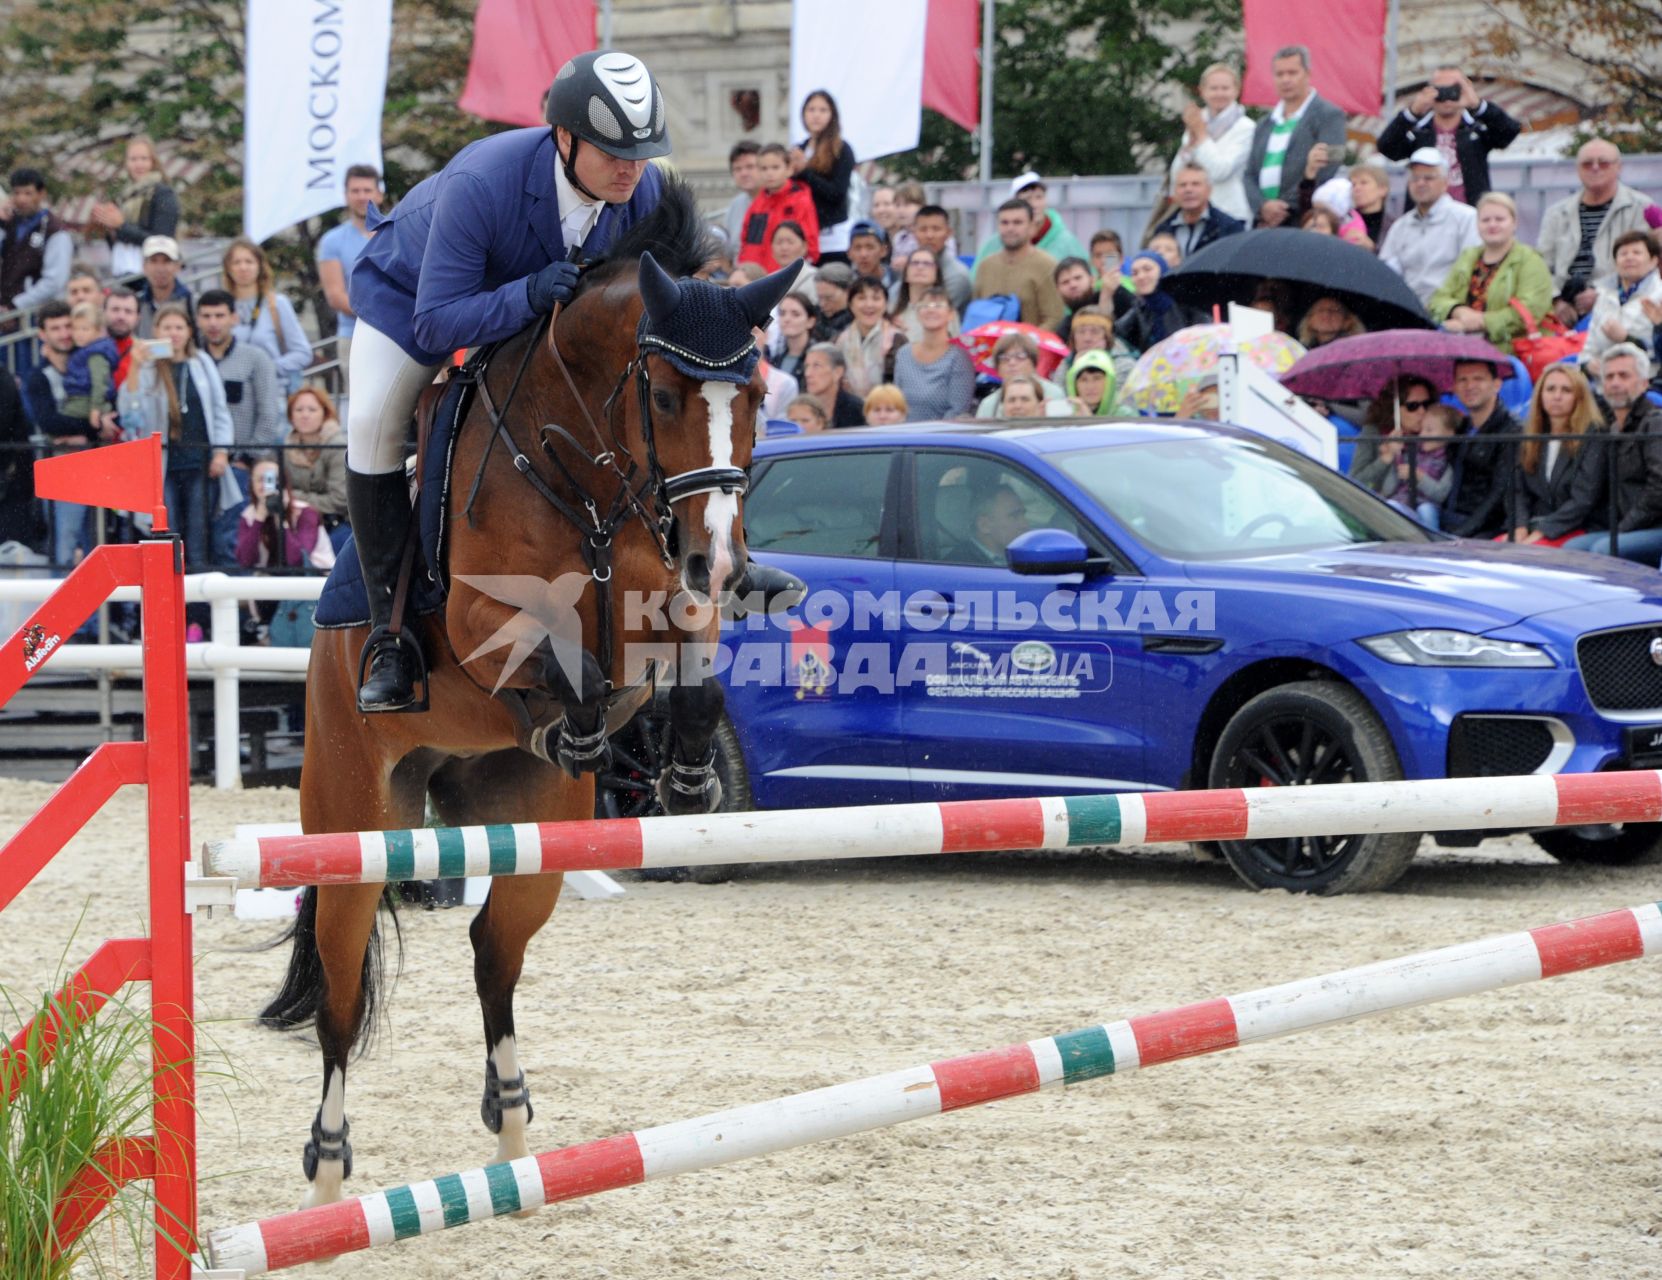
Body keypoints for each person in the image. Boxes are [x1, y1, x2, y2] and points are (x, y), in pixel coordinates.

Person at [116, 303, 235, 575]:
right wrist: (135, 366)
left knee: (198, 535)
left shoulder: (201, 362)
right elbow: (130, 416)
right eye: (167, 327)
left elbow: (219, 410)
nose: (173, 334)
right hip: (162, 466)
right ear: (156, 331)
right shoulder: (147, 368)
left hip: (199, 462)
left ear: (189, 331)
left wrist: (221, 452)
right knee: (167, 534)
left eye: (179, 327)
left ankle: (197, 612)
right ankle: (170, 600)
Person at [198, 288, 284, 565]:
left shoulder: (255, 358)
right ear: (197, 319)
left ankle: (240, 609)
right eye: (207, 316)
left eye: (220, 315)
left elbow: (270, 413)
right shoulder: (193, 360)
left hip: (239, 466)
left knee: (232, 544)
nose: (213, 322)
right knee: (197, 543)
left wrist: (247, 458)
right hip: (195, 466)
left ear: (234, 317)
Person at [1561, 345, 1662, 563]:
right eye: (1609, 377)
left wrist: (1623, 528)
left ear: (1644, 383)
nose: (1615, 383)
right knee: (1571, 549)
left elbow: (1658, 489)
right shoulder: (1610, 429)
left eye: (1624, 376)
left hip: (1654, 526)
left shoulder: (1655, 422)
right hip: (1626, 527)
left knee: (1603, 550)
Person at [1428, 192, 1553, 354]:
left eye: (1500, 219)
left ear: (1514, 223)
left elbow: (1530, 310)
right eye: (1485, 220)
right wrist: (1458, 311)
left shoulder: (1530, 260)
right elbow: (1438, 299)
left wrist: (1481, 322)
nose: (1492, 225)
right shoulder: (1468, 257)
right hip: (1464, 348)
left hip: (1514, 351)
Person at [1376, 67, 1521, 206]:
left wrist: (1477, 105)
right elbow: (1387, 147)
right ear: (1429, 90)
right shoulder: (1420, 131)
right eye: (1440, 90)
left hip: (1469, 214)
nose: (1447, 96)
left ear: (1465, 89)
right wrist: (1412, 113)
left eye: (1454, 89)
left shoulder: (1475, 129)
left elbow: (1509, 132)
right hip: (1425, 215)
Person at [24, 302, 100, 565]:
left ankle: (105, 608)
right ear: (42, 334)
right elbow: (49, 422)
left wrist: (83, 428)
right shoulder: (38, 376)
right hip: (62, 468)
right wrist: (93, 426)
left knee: (100, 545)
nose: (64, 333)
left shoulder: (91, 364)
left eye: (68, 326)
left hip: (97, 463)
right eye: (55, 328)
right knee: (64, 547)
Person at [1244, 45, 1347, 227]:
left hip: (1303, 220)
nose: (1285, 80)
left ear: (1308, 74)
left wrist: (1285, 206)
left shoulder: (1329, 115)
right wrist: (1262, 206)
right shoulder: (1264, 124)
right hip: (1263, 223)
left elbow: (1331, 163)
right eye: (1280, 74)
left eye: (1292, 73)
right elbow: (1249, 174)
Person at [1537, 140, 1653, 298]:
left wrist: (1602, 295)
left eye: (1604, 163)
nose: (1595, 168)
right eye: (1587, 164)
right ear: (1577, 169)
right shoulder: (1556, 213)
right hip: (1561, 302)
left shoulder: (1641, 208)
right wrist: (1556, 299)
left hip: (1620, 303)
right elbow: (1540, 267)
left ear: (1619, 167)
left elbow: (1646, 265)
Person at [1508, 364, 1606, 546]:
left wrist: (1542, 532)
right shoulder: (1529, 436)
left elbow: (1583, 500)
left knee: (1526, 556)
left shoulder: (1593, 436)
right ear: (1540, 395)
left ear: (1579, 397)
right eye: (1550, 389)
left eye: (1566, 390)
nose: (1557, 396)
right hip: (1534, 526)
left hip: (1576, 527)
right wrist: (1520, 525)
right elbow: (1518, 491)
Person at [1378, 149, 1480, 306]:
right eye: (1415, 178)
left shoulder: (1466, 218)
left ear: (1445, 183)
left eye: (1428, 178)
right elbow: (1387, 273)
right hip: (1409, 310)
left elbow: (1471, 271)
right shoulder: (1400, 226)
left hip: (1451, 311)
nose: (1420, 183)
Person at [316, 164, 382, 382]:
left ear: (379, 193)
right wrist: (383, 314)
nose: (362, 196)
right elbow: (336, 296)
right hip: (353, 335)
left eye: (367, 190)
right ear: (346, 195)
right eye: (355, 191)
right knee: (360, 412)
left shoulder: (396, 231)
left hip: (398, 337)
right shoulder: (332, 241)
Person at [1168, 63, 1256, 223]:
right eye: (1214, 88)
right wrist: (1189, 146)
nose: (1219, 93)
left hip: (1231, 212)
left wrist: (1201, 136)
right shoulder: (1198, 121)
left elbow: (1221, 171)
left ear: (1236, 90)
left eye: (1225, 88)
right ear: (1202, 91)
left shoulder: (1246, 127)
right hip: (1197, 213)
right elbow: (1178, 174)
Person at [221, 237, 310, 395]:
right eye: (236, 262)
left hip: (273, 393)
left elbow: (303, 353)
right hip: (234, 396)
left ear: (260, 266)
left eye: (249, 261)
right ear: (228, 268)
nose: (243, 268)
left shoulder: (276, 304)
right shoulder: (221, 307)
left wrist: (267, 368)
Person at [1443, 359, 1518, 538]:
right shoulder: (1460, 428)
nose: (1470, 386)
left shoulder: (1512, 430)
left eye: (1478, 379)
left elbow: (1499, 493)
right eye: (1462, 380)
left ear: (1496, 385)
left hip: (1485, 528)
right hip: (1449, 518)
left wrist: (1463, 533)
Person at [87, 136, 181, 278]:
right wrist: (106, 225)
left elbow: (162, 241)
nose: (139, 164)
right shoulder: (125, 195)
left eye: (144, 159)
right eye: (133, 159)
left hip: (149, 272)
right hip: (122, 267)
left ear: (153, 161)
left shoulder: (162, 193)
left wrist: (121, 225)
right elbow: (119, 238)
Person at [973, 198, 1065, 330]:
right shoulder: (985, 266)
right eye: (1004, 223)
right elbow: (977, 313)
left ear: (1032, 227)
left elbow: (1055, 318)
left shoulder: (1047, 265)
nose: (1010, 228)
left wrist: (1025, 342)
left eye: (1017, 222)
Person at [1581, 230, 1662, 376]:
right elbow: (1588, 348)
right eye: (1623, 254)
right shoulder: (1604, 297)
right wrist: (1587, 364)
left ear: (1653, 261)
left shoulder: (1658, 295)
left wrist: (1626, 339)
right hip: (1604, 381)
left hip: (1648, 381)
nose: (1629, 258)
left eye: (1637, 253)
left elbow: (1657, 354)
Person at [971, 173, 1088, 273]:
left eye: (1039, 197)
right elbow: (976, 281)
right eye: (1027, 199)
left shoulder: (1066, 242)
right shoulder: (994, 244)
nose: (1034, 205)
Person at [891, 287, 977, 421]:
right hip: (905, 434)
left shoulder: (959, 357)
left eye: (938, 305)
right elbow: (896, 402)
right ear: (917, 313)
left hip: (942, 436)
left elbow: (958, 410)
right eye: (925, 306)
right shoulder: (903, 353)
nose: (931, 310)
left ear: (951, 314)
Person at [236, 456, 334, 573]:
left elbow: (297, 561)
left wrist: (280, 517)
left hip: (312, 579)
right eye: (260, 480)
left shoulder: (305, 512)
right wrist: (259, 518)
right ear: (252, 484)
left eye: (273, 480)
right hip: (270, 581)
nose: (266, 486)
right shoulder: (249, 515)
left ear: (284, 483)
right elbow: (245, 561)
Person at [0, 168, 73, 325]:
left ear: (41, 194)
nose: (22, 199)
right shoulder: (9, 223)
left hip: (37, 316)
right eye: (17, 193)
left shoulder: (54, 230)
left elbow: (54, 281)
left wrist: (16, 305)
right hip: (6, 315)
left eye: (28, 193)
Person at [283, 386, 350, 553]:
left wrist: (294, 498)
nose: (305, 415)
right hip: (297, 522)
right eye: (298, 410)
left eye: (312, 409)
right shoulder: (285, 446)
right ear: (291, 416)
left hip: (336, 523)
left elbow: (339, 500)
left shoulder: (337, 445)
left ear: (325, 413)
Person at [791, 91, 856, 262]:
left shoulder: (841, 149)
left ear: (832, 114)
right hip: (803, 235)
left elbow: (836, 192)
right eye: (811, 110)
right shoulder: (800, 148)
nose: (816, 115)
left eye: (823, 110)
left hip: (833, 238)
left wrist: (804, 172)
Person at [738, 142, 820, 272]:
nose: (769, 173)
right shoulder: (757, 204)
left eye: (775, 167)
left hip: (785, 278)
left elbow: (811, 246)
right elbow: (745, 243)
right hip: (755, 278)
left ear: (789, 169)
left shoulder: (800, 201)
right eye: (764, 169)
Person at [1373, 402, 1456, 527]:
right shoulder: (1410, 453)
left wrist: (1419, 477)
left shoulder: (1448, 462)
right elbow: (1388, 488)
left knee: (1426, 511)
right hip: (1403, 501)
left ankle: (1432, 544)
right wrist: (1394, 459)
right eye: (1422, 429)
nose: (1422, 435)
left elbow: (1440, 494)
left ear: (1449, 434)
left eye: (1429, 430)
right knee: (1392, 506)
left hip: (1427, 505)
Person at [1349, 375, 1437, 488]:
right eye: (1413, 406)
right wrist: (1386, 458)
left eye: (1427, 404)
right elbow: (1356, 481)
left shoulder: (1437, 433)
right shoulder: (1373, 432)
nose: (1422, 411)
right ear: (1393, 408)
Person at [1113, 251, 1202, 355]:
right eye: (1135, 273)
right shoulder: (1139, 309)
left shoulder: (1186, 303)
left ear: (1162, 271)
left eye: (1147, 269)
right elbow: (1116, 333)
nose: (1141, 276)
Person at [1152, 164, 1246, 259]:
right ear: (1175, 192)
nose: (1188, 190)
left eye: (1195, 184)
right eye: (1182, 185)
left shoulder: (1228, 227)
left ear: (1209, 190)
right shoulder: (1163, 229)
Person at [835, 274, 907, 398]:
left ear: (885, 304)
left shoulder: (897, 340)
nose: (869, 305)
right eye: (861, 298)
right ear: (851, 304)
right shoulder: (839, 341)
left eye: (876, 298)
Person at [975, 332, 1066, 418]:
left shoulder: (1054, 393)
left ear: (1033, 362)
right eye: (1004, 358)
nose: (1012, 363)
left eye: (1020, 356)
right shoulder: (989, 404)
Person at [890, 248, 959, 344]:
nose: (920, 267)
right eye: (915, 263)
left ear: (937, 273)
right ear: (905, 273)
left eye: (927, 264)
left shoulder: (946, 310)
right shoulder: (890, 310)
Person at [910, 206, 972, 310]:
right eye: (923, 229)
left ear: (948, 233)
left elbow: (937, 312)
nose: (929, 235)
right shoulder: (910, 267)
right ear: (914, 233)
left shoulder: (957, 276)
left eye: (936, 229)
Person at [135, 235, 193, 338]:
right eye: (153, 261)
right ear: (144, 267)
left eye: (166, 261)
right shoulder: (137, 305)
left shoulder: (191, 303)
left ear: (177, 266)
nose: (160, 268)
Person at [959, 484, 1030, 562]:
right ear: (984, 525)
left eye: (1023, 515)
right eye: (1014, 516)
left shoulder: (1013, 555)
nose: (1025, 525)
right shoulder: (962, 566)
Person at [802, 342, 864, 427]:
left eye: (816, 366)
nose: (807, 373)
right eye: (807, 366)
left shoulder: (856, 410)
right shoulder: (800, 408)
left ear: (838, 372)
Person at [1345, 161, 1397, 253]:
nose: (1357, 188)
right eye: (1353, 184)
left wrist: (1373, 248)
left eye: (1364, 183)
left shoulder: (1395, 225)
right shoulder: (1344, 220)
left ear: (1382, 190)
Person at [768, 292, 821, 383]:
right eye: (782, 313)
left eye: (795, 314)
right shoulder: (775, 358)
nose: (787, 319)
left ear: (810, 321)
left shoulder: (820, 358)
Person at [721, 141, 762, 250]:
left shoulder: (781, 199)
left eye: (750, 167)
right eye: (737, 169)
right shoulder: (736, 204)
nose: (743, 173)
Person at [1052, 256, 1101, 343]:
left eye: (1078, 278)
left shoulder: (1114, 296)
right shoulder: (1065, 329)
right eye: (1065, 282)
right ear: (1058, 291)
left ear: (1092, 280)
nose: (1073, 285)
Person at [102, 286, 140, 389]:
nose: (121, 316)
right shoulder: (89, 350)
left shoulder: (145, 355)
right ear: (103, 313)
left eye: (128, 311)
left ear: (137, 318)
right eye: (115, 309)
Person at [1295, 295, 1364, 349]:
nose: (1326, 314)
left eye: (1334, 310)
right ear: (1309, 321)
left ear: (1347, 322)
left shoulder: (1355, 349)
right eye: (1320, 310)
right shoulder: (1300, 350)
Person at [1065, 349, 1117, 415]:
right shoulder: (1065, 416)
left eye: (1097, 379)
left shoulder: (1125, 417)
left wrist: (1088, 420)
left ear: (1109, 382)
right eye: (1084, 380)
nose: (1090, 386)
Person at [846, 221, 895, 292]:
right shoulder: (844, 285)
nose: (863, 254)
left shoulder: (899, 282)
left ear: (883, 251)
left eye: (870, 247)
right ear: (849, 253)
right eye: (857, 248)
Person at [813, 261, 854, 336]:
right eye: (820, 298)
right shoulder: (812, 315)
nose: (822, 304)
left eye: (829, 298)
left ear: (848, 292)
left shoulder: (862, 319)